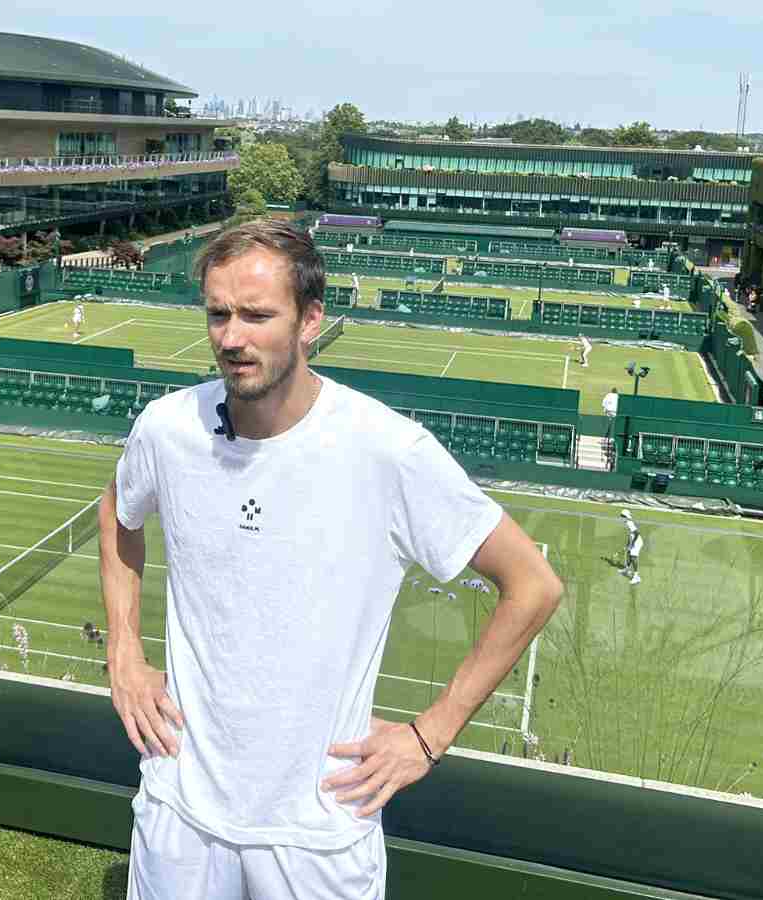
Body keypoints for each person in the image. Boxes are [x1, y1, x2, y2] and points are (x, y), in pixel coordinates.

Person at [99, 220, 564, 899]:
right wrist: (123, 653)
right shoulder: (168, 429)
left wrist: (429, 736)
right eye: (218, 314)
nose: (232, 338)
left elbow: (533, 585)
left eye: (257, 315)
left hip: (319, 825)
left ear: (310, 319)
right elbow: (117, 512)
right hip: (179, 806)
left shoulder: (388, 450)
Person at [619, 510, 644, 585]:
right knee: (629, 554)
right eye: (621, 516)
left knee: (633, 557)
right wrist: (627, 545)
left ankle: (636, 577)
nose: (621, 517)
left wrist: (632, 544)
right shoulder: (627, 522)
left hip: (637, 542)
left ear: (626, 517)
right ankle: (627, 569)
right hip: (634, 541)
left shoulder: (629, 523)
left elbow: (637, 533)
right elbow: (631, 535)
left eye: (622, 516)